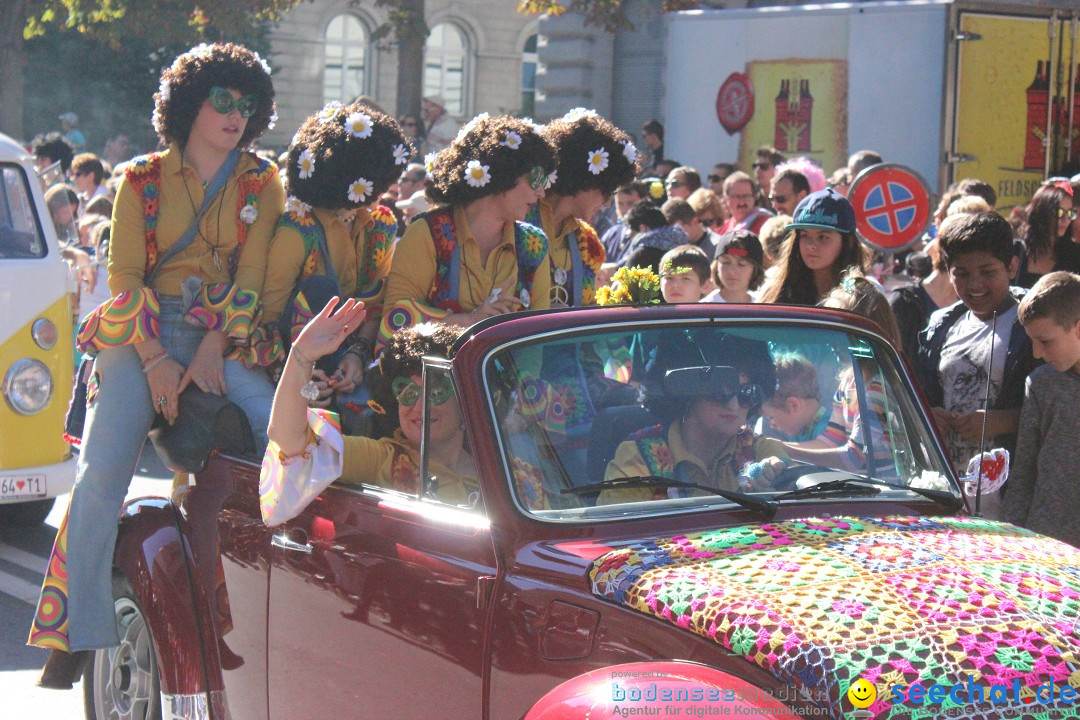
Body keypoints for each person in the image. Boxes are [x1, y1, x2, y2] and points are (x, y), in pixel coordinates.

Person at [30, 42, 284, 688]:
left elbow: (251, 273)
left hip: (216, 334)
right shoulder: (140, 177)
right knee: (99, 475)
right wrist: (154, 362)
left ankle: (243, 613)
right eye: (221, 101)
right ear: (189, 105)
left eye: (245, 104)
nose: (233, 115)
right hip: (139, 333)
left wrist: (211, 347)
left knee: (274, 440)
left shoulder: (263, 180)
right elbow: (124, 276)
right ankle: (79, 630)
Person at [261, 101, 407, 420]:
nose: (387, 184)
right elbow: (270, 318)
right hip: (293, 359)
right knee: (319, 290)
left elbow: (377, 303)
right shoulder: (297, 229)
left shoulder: (381, 224)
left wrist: (356, 354)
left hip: (352, 352)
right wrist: (302, 375)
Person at [379, 114, 555, 345]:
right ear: (505, 174)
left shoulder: (534, 245)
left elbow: (538, 340)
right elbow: (394, 326)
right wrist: (469, 320)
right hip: (427, 379)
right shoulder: (426, 234)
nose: (541, 192)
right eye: (536, 179)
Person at [915, 212, 1037, 514]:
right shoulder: (939, 326)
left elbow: (1057, 410)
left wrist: (1000, 420)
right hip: (949, 496)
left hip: (1011, 501)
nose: (975, 284)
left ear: (1011, 266)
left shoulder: (1034, 326)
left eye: (987, 271)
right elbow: (920, 398)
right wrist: (929, 416)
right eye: (962, 274)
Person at [597, 332, 788, 504]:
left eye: (747, 393)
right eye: (719, 392)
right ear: (687, 394)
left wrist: (775, 472)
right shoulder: (638, 458)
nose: (734, 405)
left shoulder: (759, 450)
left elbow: (798, 490)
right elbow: (616, 531)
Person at [781, 271, 904, 481]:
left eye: (839, 333)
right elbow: (830, 440)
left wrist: (787, 451)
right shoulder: (849, 381)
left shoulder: (876, 387)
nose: (831, 342)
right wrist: (773, 448)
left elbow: (853, 458)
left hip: (886, 493)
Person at [532, 109, 638, 307]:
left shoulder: (589, 242)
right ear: (584, 178)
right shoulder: (517, 221)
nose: (607, 202)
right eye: (607, 190)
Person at [1006, 272, 1080, 546]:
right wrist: (1012, 536)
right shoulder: (1041, 384)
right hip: (1046, 545)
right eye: (1032, 341)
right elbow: (1023, 470)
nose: (1036, 353)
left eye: (1046, 341)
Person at [757, 188, 870, 305]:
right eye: (805, 235)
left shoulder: (862, 296)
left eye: (823, 237)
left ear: (849, 242)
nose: (811, 245)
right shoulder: (774, 290)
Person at [1015, 181, 1078, 288]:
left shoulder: (1075, 255)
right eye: (1059, 212)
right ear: (1042, 212)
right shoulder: (1016, 250)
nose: (1066, 219)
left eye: (1070, 213)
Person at [760, 352, 829, 442]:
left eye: (771, 418)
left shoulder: (827, 429)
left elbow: (824, 452)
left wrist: (780, 448)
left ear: (793, 405)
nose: (771, 425)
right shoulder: (800, 429)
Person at [701, 230, 765, 303]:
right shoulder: (704, 309)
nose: (732, 271)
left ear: (755, 270)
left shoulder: (762, 308)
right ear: (716, 267)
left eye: (741, 264)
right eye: (726, 262)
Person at [717, 171, 772, 236]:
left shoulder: (767, 224)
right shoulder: (722, 230)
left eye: (746, 196)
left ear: (754, 197)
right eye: (737, 196)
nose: (742, 202)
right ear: (726, 199)